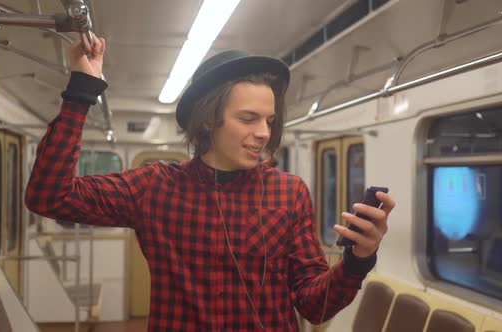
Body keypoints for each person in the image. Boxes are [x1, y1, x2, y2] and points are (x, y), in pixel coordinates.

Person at [25, 33, 395, 331]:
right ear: (207, 120)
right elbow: (49, 196)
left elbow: (315, 306)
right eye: (248, 118)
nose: (264, 132)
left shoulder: (289, 193)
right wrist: (81, 92)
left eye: (269, 120)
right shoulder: (155, 187)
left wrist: (357, 261)